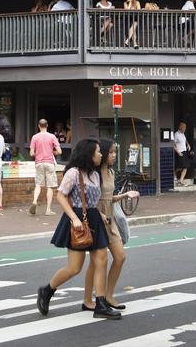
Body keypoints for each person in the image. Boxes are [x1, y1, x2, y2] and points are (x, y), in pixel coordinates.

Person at [37, 138, 121, 320]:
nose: (101, 154)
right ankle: (47, 290)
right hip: (77, 220)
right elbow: (60, 196)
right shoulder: (73, 173)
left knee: (101, 260)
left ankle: (100, 304)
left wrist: (101, 216)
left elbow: (93, 202)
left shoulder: (95, 175)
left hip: (94, 219)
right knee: (74, 268)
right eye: (98, 151)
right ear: (89, 154)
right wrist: (74, 219)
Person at [83, 139, 139, 311]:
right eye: (111, 152)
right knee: (96, 262)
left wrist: (125, 195)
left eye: (115, 152)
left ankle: (108, 295)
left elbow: (109, 198)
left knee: (120, 257)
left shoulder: (112, 173)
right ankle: (87, 300)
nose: (114, 155)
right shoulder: (94, 174)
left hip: (110, 218)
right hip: (97, 219)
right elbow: (88, 199)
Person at [29, 119, 62, 216]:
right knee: (50, 186)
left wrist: (38, 153)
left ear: (39, 126)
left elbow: (31, 153)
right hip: (49, 163)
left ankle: (35, 201)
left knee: (38, 185)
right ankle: (48, 210)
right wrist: (53, 152)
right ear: (47, 125)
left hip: (39, 163)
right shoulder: (52, 136)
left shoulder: (34, 137)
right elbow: (59, 151)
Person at [174, 121, 191, 187]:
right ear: (180, 127)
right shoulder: (176, 134)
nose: (185, 128)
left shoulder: (183, 134)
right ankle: (174, 173)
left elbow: (185, 140)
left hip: (184, 151)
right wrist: (178, 152)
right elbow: (173, 144)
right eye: (183, 127)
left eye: (185, 127)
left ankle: (181, 181)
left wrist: (188, 144)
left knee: (185, 167)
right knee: (180, 167)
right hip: (180, 152)